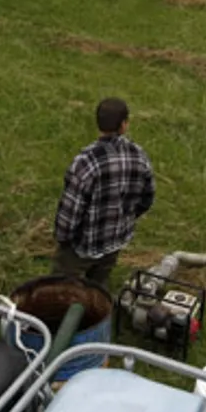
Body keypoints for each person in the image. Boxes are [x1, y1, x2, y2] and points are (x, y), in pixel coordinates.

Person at [52, 98, 155, 289]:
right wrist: (125, 219)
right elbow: (147, 198)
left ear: (97, 122)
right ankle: (96, 314)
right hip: (115, 242)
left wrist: (64, 240)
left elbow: (70, 212)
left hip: (82, 247)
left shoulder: (86, 162)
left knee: (60, 289)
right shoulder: (139, 155)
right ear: (124, 125)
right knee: (98, 286)